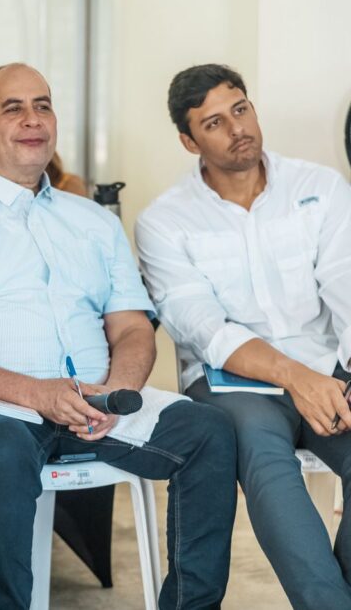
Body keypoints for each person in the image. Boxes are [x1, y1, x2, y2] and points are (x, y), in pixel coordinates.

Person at [0, 63, 238, 610]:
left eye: (43, 105)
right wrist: (36, 393)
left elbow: (130, 326)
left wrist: (114, 391)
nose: (33, 120)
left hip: (91, 405)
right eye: (14, 108)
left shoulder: (93, 221)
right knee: (4, 450)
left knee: (210, 432)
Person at [136, 63, 351, 609]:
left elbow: (348, 289)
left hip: (329, 366)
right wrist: (296, 379)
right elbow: (205, 328)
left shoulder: (320, 187)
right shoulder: (164, 222)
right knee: (262, 456)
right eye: (214, 123)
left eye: (240, 109)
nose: (237, 129)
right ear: (189, 141)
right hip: (231, 383)